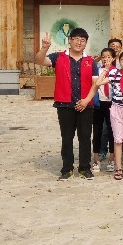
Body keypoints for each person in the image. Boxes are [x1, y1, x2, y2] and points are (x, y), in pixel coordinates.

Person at [35, 28, 99, 180]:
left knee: (85, 137)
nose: (79, 42)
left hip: (85, 105)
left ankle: (84, 168)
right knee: (67, 137)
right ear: (70, 40)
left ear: (86, 43)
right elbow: (39, 61)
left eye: (82, 40)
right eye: (76, 39)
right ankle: (67, 168)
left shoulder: (90, 61)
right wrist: (44, 48)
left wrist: (86, 101)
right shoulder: (58, 57)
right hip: (64, 104)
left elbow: (95, 85)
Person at [96, 52, 123, 180]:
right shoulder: (114, 74)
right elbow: (98, 83)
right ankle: (118, 168)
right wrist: (106, 69)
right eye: (122, 60)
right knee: (117, 140)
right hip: (116, 109)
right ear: (119, 61)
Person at [92, 48, 116, 173]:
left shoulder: (116, 71)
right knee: (97, 131)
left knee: (112, 131)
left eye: (108, 57)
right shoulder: (98, 70)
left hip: (112, 103)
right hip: (98, 103)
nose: (106, 59)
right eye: (103, 57)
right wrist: (104, 70)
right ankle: (96, 159)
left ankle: (112, 159)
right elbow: (96, 83)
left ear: (113, 58)